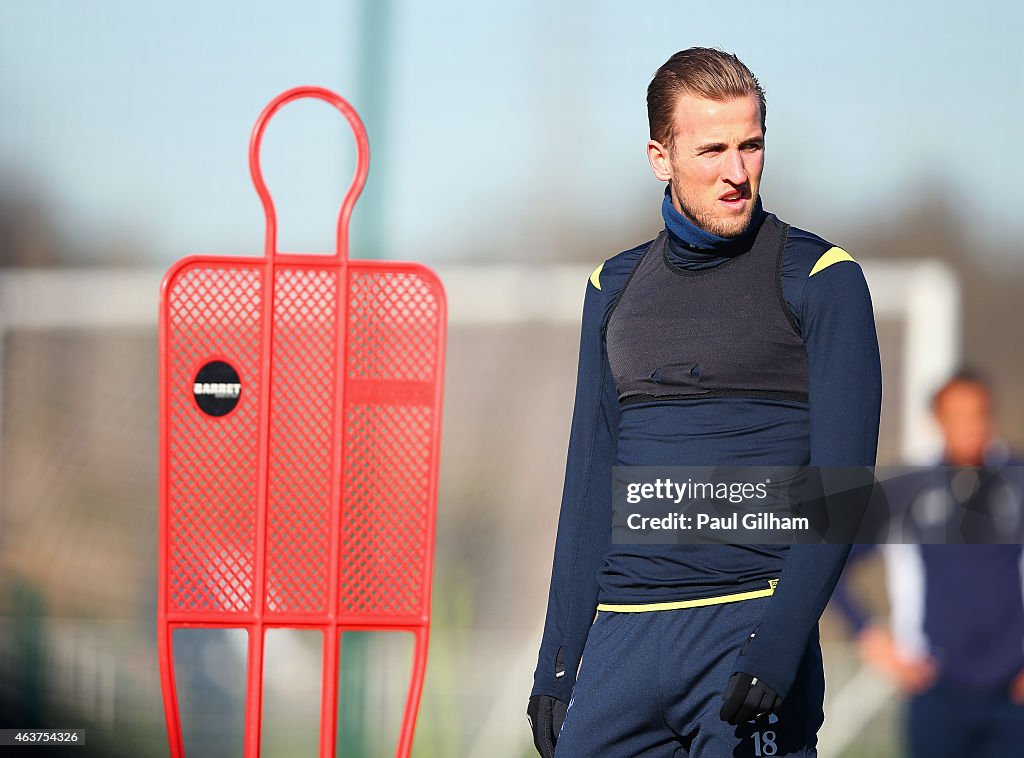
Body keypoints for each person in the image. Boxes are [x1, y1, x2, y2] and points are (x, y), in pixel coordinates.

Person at [526, 47, 882, 758]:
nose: (736, 171)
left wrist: (779, 647)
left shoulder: (821, 277)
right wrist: (557, 663)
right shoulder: (612, 288)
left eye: (750, 145)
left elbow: (840, 490)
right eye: (712, 148)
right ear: (660, 157)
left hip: (746, 633)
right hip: (623, 640)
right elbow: (589, 486)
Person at [831, 371, 1024, 758]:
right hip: (935, 688)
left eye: (978, 414)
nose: (970, 426)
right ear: (939, 421)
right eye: (958, 416)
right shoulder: (911, 488)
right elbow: (835, 566)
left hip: (1013, 692)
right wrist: (871, 637)